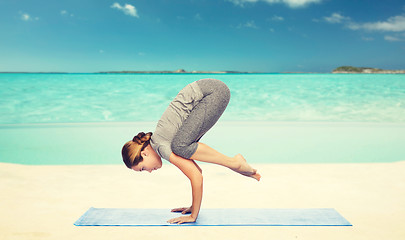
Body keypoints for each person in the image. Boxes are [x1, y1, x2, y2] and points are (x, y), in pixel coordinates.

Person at [121, 78, 260, 225]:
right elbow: (197, 172)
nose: (148, 171)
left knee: (180, 146)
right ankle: (235, 163)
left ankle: (234, 162)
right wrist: (193, 206)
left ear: (144, 153)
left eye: (143, 168)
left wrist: (193, 215)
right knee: (182, 146)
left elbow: (196, 177)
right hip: (212, 90)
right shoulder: (160, 141)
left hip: (212, 92)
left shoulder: (161, 146)